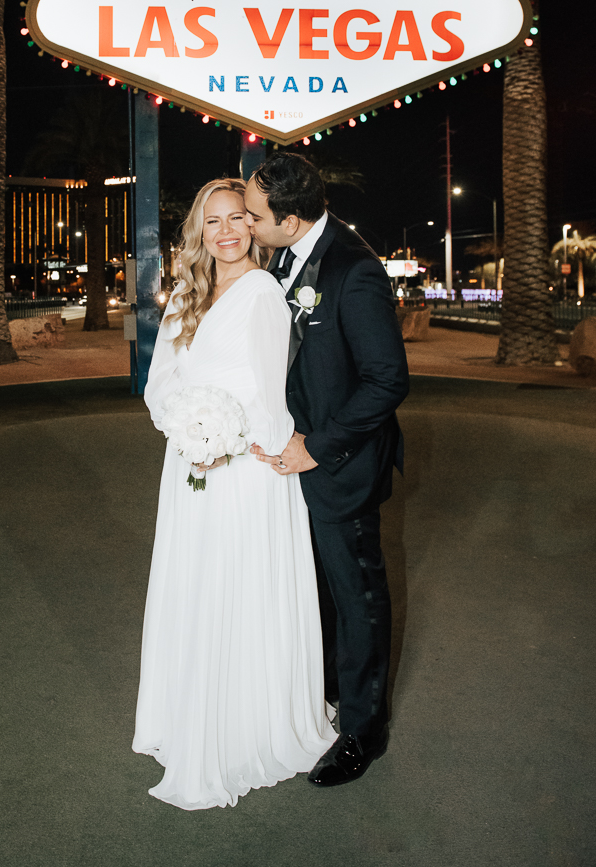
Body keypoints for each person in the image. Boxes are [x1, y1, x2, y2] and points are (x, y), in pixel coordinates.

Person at [133, 177, 335, 810]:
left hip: (246, 470)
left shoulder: (263, 294)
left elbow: (271, 393)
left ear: (253, 226)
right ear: (200, 229)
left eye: (237, 219)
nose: (225, 231)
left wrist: (235, 437)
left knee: (237, 584)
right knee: (194, 583)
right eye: (212, 220)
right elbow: (159, 380)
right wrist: (188, 424)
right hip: (190, 464)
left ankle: (248, 723)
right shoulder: (186, 294)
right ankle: (189, 711)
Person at [244, 153, 409, 788]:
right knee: (315, 588)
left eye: (256, 216)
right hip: (292, 458)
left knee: (356, 593)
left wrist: (317, 446)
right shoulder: (283, 254)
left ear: (290, 219)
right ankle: (332, 691)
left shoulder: (355, 268)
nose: (249, 225)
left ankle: (364, 731)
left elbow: (386, 380)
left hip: (340, 464)